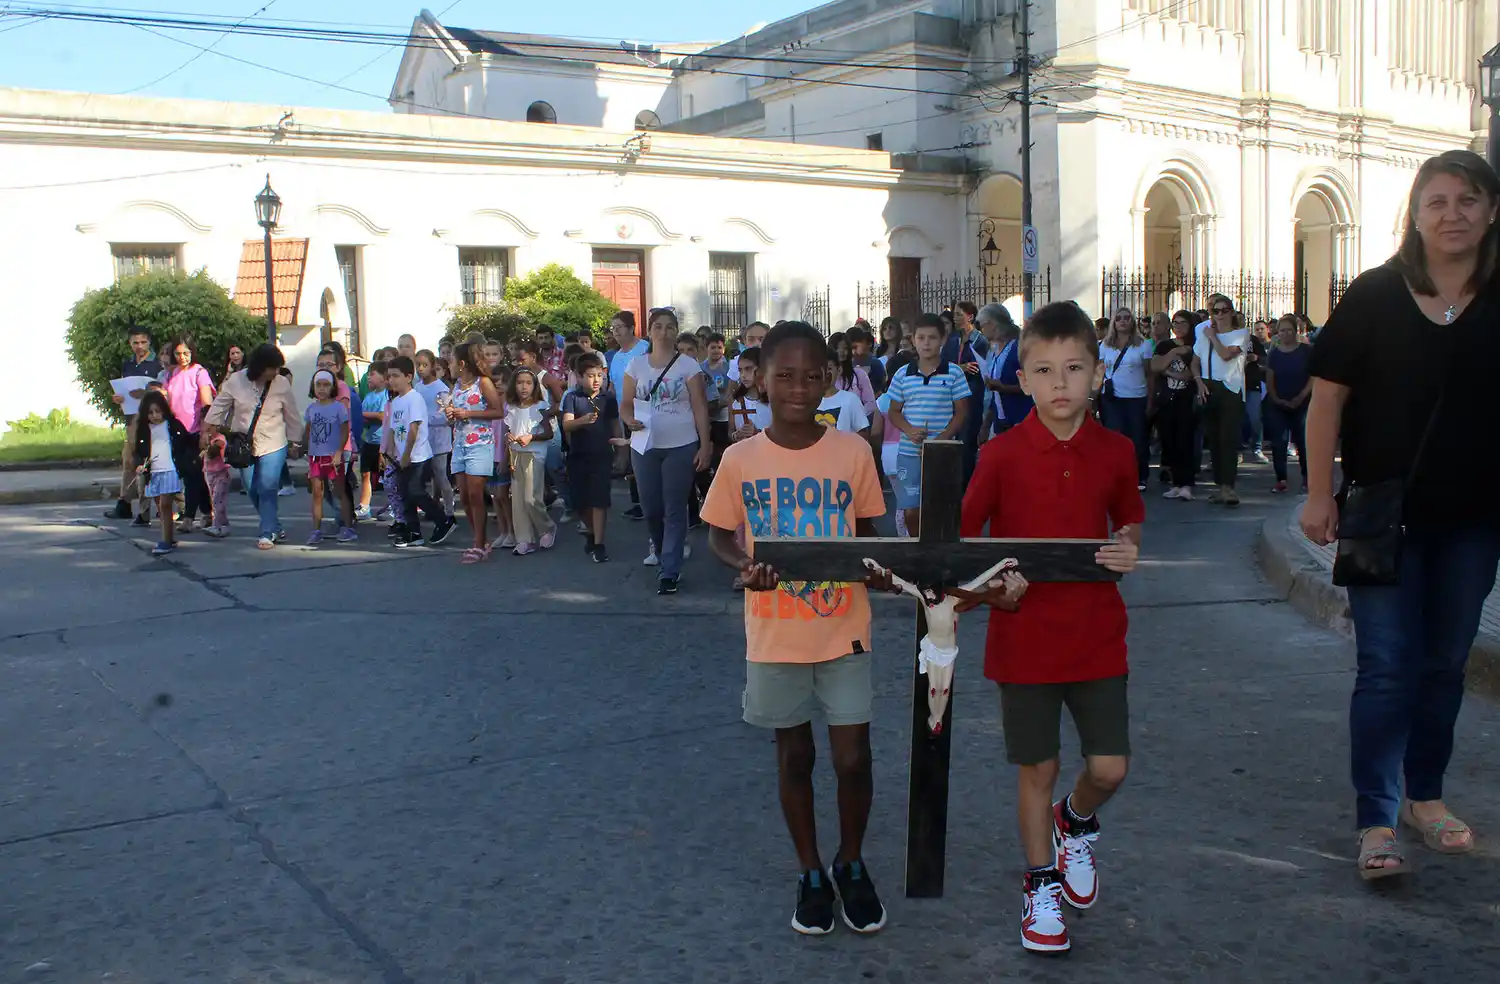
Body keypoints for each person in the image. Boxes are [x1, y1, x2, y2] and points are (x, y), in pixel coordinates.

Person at [1301, 149, 1500, 880]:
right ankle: (1376, 820)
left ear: (1491, 212)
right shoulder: (1376, 294)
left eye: (1468, 200)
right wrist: (1320, 494)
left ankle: (1427, 796)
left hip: (1476, 520)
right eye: (1437, 201)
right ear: (1414, 216)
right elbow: (1326, 399)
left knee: (1445, 665)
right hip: (1385, 518)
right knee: (1386, 668)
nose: (1453, 213)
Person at [960, 301, 1143, 954]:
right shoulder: (1002, 454)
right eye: (1044, 369)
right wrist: (992, 589)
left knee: (1111, 767)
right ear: (1024, 376)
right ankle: (1040, 887)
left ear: (1096, 373)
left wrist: (1128, 547)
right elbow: (963, 538)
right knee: (1036, 769)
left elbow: (1128, 519)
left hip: (1098, 634)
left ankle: (1078, 820)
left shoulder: (1118, 450)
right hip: (1024, 640)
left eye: (1073, 368)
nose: (1060, 383)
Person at [701, 321, 893, 937]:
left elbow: (869, 533)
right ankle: (810, 869)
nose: (799, 387)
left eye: (813, 375)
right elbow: (719, 535)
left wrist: (883, 568)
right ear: (759, 378)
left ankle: (852, 860)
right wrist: (745, 568)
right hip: (776, 633)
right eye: (785, 374)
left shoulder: (852, 451)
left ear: (830, 379)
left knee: (853, 756)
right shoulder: (740, 458)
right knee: (795, 756)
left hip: (844, 628)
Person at [621, 308, 713, 594]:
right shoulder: (636, 365)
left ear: (676, 331)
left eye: (669, 327)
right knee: (651, 507)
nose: (664, 332)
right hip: (645, 444)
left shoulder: (688, 366)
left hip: (681, 444)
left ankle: (670, 570)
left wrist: (705, 444)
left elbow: (699, 406)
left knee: (675, 508)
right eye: (658, 326)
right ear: (649, 331)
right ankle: (662, 552)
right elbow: (624, 402)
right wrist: (628, 419)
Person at [202, 344, 304, 550]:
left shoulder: (281, 383)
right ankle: (274, 525)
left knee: (267, 487)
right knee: (251, 488)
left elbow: (291, 415)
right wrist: (208, 429)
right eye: (272, 368)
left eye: (277, 368)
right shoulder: (236, 380)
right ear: (260, 366)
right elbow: (219, 406)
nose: (275, 372)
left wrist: (296, 442)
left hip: (274, 442)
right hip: (243, 444)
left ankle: (266, 532)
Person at [886, 313, 969, 537]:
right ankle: (917, 552)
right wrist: (910, 430)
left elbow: (961, 412)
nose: (926, 343)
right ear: (913, 340)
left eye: (932, 338)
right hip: (909, 451)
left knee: (942, 509)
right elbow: (893, 412)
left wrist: (941, 439)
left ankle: (941, 555)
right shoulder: (903, 374)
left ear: (942, 340)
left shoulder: (954, 373)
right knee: (911, 511)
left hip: (942, 453)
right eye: (921, 338)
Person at [382, 356, 455, 549]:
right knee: (406, 495)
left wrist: (406, 456)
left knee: (416, 491)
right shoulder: (396, 401)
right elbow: (392, 429)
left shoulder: (414, 398)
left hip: (418, 456)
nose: (392, 380)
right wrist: (389, 454)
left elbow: (413, 430)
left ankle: (444, 520)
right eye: (389, 376)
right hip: (401, 457)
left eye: (396, 376)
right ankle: (414, 533)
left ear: (408, 377)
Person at [445, 342, 506, 563]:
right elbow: (455, 412)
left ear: (462, 364)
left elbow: (498, 410)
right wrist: (451, 415)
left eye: (451, 360)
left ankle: (480, 544)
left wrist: (468, 412)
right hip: (459, 444)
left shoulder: (484, 382)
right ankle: (478, 539)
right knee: (465, 497)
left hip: (480, 444)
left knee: (475, 494)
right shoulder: (457, 385)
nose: (448, 364)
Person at [562, 353, 626, 562]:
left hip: (602, 456)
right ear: (579, 377)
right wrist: (583, 421)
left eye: (599, 375)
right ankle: (589, 531)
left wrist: (621, 452)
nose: (596, 380)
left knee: (599, 500)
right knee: (581, 502)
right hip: (578, 456)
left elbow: (615, 425)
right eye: (590, 375)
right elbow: (567, 424)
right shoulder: (572, 398)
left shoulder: (608, 398)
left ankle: (599, 543)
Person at [1193, 293, 1249, 506]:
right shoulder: (1203, 335)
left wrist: (1213, 336)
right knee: (1214, 440)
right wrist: (1198, 381)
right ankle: (1220, 486)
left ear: (1231, 312)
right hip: (1209, 388)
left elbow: (1226, 354)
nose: (1220, 314)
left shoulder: (1240, 334)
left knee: (1228, 439)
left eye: (1224, 310)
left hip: (1230, 390)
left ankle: (1229, 487)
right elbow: (1195, 361)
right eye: (1215, 311)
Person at [105, 327, 164, 524]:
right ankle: (124, 503)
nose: (139, 346)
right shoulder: (128, 364)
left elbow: (163, 392)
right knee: (129, 461)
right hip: (132, 418)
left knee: (156, 461)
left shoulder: (157, 364)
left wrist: (146, 393)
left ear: (149, 343)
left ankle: (170, 505)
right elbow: (124, 390)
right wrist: (119, 398)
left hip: (153, 419)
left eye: (143, 342)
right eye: (135, 343)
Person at [158, 338, 216, 533]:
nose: (182, 357)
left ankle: (189, 517)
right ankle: (207, 512)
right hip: (176, 430)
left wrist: (205, 432)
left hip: (195, 429)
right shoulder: (171, 374)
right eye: (178, 354)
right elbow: (164, 398)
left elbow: (207, 403)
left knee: (193, 474)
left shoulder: (199, 372)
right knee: (192, 474)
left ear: (192, 353)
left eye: (185, 353)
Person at [131, 391, 196, 556]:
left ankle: (166, 541)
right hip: (154, 473)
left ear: (164, 410)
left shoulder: (173, 425)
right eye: (151, 412)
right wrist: (140, 465)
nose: (155, 416)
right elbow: (139, 451)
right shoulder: (144, 430)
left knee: (166, 505)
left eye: (158, 411)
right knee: (161, 506)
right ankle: (170, 536)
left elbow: (187, 442)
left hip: (170, 470)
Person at [1097, 308, 1155, 490]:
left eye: (1127, 318)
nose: (1123, 321)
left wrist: (1151, 400)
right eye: (1119, 318)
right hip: (1112, 398)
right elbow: (1099, 372)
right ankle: (1116, 476)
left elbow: (1149, 374)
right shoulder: (1105, 346)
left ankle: (1140, 476)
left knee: (1137, 438)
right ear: (1114, 322)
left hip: (1136, 397)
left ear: (1133, 321)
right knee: (1114, 437)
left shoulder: (1142, 345)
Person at [1152, 311, 1205, 500]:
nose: (1179, 327)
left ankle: (1187, 483)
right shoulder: (1165, 346)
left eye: (1183, 323)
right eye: (1175, 323)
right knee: (1170, 441)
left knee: (1186, 441)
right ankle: (1176, 483)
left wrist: (1170, 371)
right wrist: (1174, 354)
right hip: (1168, 398)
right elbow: (1156, 366)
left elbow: (1192, 374)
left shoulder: (1196, 346)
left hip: (1187, 399)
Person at [505, 366, 556, 556]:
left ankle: (547, 527)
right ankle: (525, 539)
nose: (523, 387)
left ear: (534, 386)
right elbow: (509, 429)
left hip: (534, 455)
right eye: (519, 383)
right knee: (517, 501)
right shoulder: (511, 408)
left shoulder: (540, 407)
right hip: (516, 455)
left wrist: (531, 438)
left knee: (531, 498)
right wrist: (509, 437)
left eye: (528, 383)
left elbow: (548, 433)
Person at [302, 370, 356, 545]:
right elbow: (308, 431)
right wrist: (301, 447)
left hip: (333, 457)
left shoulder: (338, 408)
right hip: (315, 457)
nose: (322, 389)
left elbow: (344, 431)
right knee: (317, 493)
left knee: (339, 492)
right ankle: (316, 530)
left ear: (332, 387)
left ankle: (348, 527)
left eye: (326, 385)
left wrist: (339, 451)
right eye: (319, 385)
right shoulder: (311, 409)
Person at [1263, 314, 1312, 493]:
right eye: (1282, 330)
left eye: (1289, 330)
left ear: (1296, 331)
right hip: (1278, 403)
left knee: (1303, 441)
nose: (1285, 334)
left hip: (1302, 402)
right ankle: (1281, 478)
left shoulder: (1307, 351)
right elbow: (1270, 378)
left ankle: (1307, 477)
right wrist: (1276, 398)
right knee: (1279, 442)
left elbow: (1313, 377)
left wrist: (1301, 397)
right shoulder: (1274, 353)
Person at [414, 350, 456, 515]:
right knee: (427, 476)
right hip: (422, 437)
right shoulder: (417, 387)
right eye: (418, 365)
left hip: (438, 436)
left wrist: (424, 419)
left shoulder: (441, 388)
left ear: (432, 366)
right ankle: (433, 505)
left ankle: (450, 510)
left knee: (440, 474)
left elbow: (446, 415)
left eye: (425, 365)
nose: (421, 369)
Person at [356, 363, 389, 521]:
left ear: (383, 378)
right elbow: (361, 416)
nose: (369, 377)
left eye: (372, 374)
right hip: (368, 440)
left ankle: (392, 506)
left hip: (382, 442)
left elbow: (383, 416)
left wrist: (366, 415)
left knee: (388, 476)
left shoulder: (386, 395)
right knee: (366, 474)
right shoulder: (369, 396)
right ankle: (364, 506)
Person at [817, 350, 872, 436]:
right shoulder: (806, 401)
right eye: (819, 369)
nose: (824, 374)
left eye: (829, 369)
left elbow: (863, 433)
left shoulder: (851, 400)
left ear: (839, 371)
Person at [1241, 320, 1270, 464]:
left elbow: (1265, 358)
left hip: (1252, 384)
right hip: (1233, 384)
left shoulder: (1252, 340)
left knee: (1255, 418)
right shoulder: (1224, 338)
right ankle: (1236, 450)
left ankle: (1257, 448)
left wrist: (1256, 358)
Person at [202, 430, 232, 537]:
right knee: (215, 500)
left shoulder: (220, 438)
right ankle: (224, 524)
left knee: (217, 499)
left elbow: (212, 452)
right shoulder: (203, 436)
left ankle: (217, 525)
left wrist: (208, 445)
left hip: (221, 473)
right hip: (209, 472)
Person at [845, 325, 887, 394]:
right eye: (849, 349)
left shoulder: (875, 364)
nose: (853, 352)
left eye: (855, 347)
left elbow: (880, 389)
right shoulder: (845, 365)